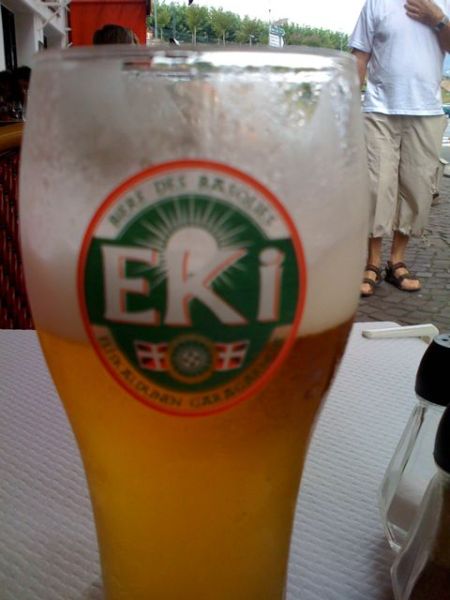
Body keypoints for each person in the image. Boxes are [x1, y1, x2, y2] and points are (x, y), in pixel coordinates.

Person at [350, 0, 450, 296]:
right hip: (379, 110)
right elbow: (359, 57)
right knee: (376, 186)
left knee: (417, 187)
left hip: (427, 110)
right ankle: (372, 263)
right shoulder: (376, 3)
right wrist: (347, 105)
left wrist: (438, 19)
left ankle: (397, 261)